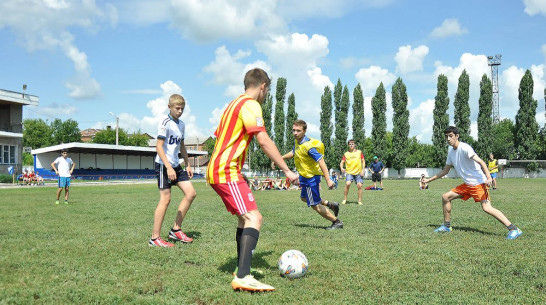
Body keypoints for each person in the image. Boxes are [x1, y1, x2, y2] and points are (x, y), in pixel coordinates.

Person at [206, 68, 299, 292]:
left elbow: (223, 138)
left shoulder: (232, 104)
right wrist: (287, 170)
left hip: (222, 169)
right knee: (254, 218)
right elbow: (263, 139)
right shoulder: (251, 104)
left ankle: (241, 268)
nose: (266, 96)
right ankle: (243, 276)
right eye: (267, 92)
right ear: (263, 87)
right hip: (226, 171)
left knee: (243, 219)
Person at [422, 126, 522, 240]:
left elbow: (481, 162)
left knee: (487, 208)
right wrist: (428, 180)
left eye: (451, 136)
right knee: (446, 197)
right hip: (467, 185)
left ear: (457, 136)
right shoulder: (451, 152)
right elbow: (445, 171)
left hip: (478, 184)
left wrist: (488, 177)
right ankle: (446, 226)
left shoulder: (465, 148)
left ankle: (514, 229)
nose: (448, 139)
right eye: (446, 137)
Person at [149, 94, 197, 248]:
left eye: (182, 108)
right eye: (177, 108)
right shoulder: (165, 122)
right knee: (166, 199)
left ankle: (176, 229)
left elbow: (181, 146)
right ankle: (155, 239)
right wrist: (168, 167)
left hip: (176, 165)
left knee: (191, 193)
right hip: (164, 165)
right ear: (169, 107)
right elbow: (158, 147)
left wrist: (188, 164)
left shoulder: (181, 124)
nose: (180, 111)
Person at [281, 119, 342, 230]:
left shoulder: (308, 147)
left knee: (314, 204)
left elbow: (321, 161)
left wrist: (328, 179)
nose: (295, 133)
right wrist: (281, 158)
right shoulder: (297, 141)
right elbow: (294, 152)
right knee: (304, 198)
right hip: (304, 177)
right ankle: (331, 204)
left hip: (311, 178)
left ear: (304, 131)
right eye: (293, 130)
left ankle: (336, 222)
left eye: (298, 131)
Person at [340, 139, 365, 205]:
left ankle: (359, 201)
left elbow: (363, 161)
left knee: (359, 186)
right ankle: (345, 199)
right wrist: (342, 168)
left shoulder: (359, 152)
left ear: (355, 145)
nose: (351, 145)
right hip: (349, 172)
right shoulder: (346, 154)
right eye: (350, 144)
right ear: (348, 145)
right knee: (347, 184)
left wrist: (363, 170)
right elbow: (342, 162)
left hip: (358, 172)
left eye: (352, 144)